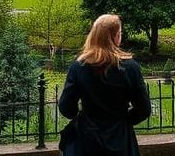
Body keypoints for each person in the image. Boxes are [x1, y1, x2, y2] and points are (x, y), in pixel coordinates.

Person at [58, 14, 151, 156]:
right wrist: (125, 119)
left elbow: (66, 108)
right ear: (115, 37)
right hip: (120, 138)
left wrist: (82, 116)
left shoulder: (79, 66)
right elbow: (144, 109)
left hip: (87, 139)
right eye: (119, 34)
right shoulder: (130, 68)